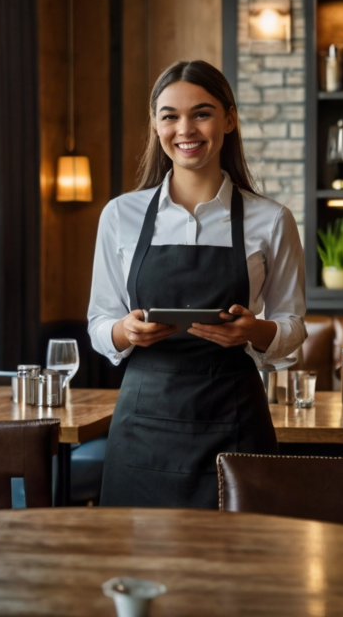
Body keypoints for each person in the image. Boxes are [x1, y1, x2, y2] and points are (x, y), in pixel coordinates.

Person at [88, 59, 307, 509]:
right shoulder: (120, 215)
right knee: (138, 570)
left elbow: (292, 322)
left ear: (229, 119)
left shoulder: (272, 219)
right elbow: (99, 320)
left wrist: (255, 331)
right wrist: (125, 331)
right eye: (170, 116)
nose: (185, 129)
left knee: (235, 568)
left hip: (235, 417)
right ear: (155, 125)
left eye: (201, 113)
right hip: (142, 423)